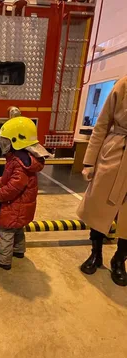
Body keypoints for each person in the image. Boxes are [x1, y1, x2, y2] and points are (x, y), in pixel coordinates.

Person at [77, 77, 127, 286]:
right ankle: (95, 254)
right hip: (114, 154)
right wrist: (89, 162)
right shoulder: (124, 84)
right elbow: (102, 124)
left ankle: (119, 260)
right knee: (99, 207)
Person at [0, 117, 50, 270]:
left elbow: (12, 189)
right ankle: (18, 250)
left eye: (5, 141)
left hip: (14, 206)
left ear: (15, 141)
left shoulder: (18, 162)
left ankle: (3, 260)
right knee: (17, 229)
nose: (3, 144)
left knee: (5, 232)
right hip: (22, 206)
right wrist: (2, 180)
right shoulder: (24, 159)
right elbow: (15, 180)